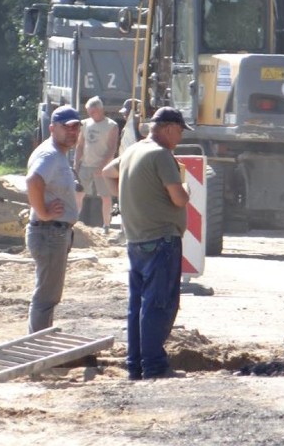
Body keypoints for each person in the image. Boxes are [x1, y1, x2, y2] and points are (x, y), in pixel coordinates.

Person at [102, 106, 192, 380]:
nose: (180, 137)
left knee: (138, 305)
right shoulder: (161, 155)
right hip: (162, 239)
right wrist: (186, 188)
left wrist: (130, 195)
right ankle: (154, 366)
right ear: (167, 128)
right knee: (160, 304)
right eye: (179, 131)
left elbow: (107, 171)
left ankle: (135, 364)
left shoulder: (132, 151)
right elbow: (179, 199)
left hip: (137, 239)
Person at [25, 105, 82, 333]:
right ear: (52, 128)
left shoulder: (56, 154)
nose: (72, 132)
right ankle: (37, 349)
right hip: (49, 231)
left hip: (52, 232)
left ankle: (40, 344)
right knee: (46, 298)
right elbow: (32, 181)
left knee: (48, 296)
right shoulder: (50, 154)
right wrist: (44, 212)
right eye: (66, 127)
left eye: (76, 127)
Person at [73, 96, 118, 234]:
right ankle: (73, 222)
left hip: (102, 168)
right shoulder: (85, 124)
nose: (90, 115)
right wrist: (76, 165)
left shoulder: (111, 126)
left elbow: (112, 148)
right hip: (86, 165)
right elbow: (80, 145)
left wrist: (102, 167)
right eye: (89, 112)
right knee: (78, 194)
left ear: (100, 110)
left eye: (93, 112)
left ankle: (106, 226)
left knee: (105, 196)